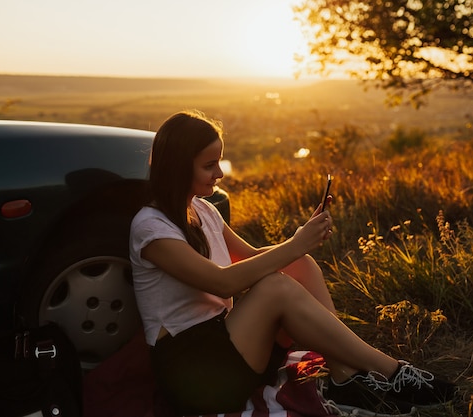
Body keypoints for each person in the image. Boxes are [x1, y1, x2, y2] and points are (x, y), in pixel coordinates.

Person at [129, 110, 456, 416]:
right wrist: (294, 244)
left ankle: (345, 376)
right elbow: (223, 282)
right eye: (209, 165)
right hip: (195, 372)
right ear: (178, 166)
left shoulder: (202, 210)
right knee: (277, 286)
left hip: (227, 343)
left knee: (299, 265)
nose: (220, 173)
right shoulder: (151, 229)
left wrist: (299, 242)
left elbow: (252, 258)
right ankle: (395, 373)